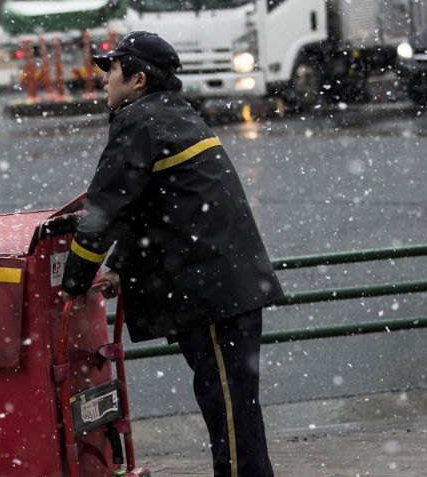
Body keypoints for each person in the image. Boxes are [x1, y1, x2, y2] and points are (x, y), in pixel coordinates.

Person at [60, 31, 284, 477]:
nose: (104, 79)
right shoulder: (171, 115)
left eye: (113, 70)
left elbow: (104, 210)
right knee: (233, 414)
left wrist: (74, 282)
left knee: (232, 418)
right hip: (224, 290)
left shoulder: (140, 122)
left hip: (215, 297)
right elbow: (153, 209)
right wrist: (122, 267)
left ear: (138, 79)